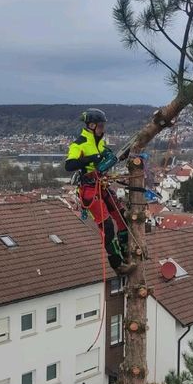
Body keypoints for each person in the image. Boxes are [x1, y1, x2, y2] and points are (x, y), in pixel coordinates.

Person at [65, 109, 135, 275]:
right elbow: (69, 165)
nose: (103, 129)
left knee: (122, 216)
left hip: (101, 185)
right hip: (89, 189)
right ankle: (117, 264)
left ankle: (127, 252)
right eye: (101, 126)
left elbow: (105, 157)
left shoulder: (100, 142)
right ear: (91, 125)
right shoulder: (79, 144)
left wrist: (116, 156)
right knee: (107, 226)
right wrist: (92, 158)